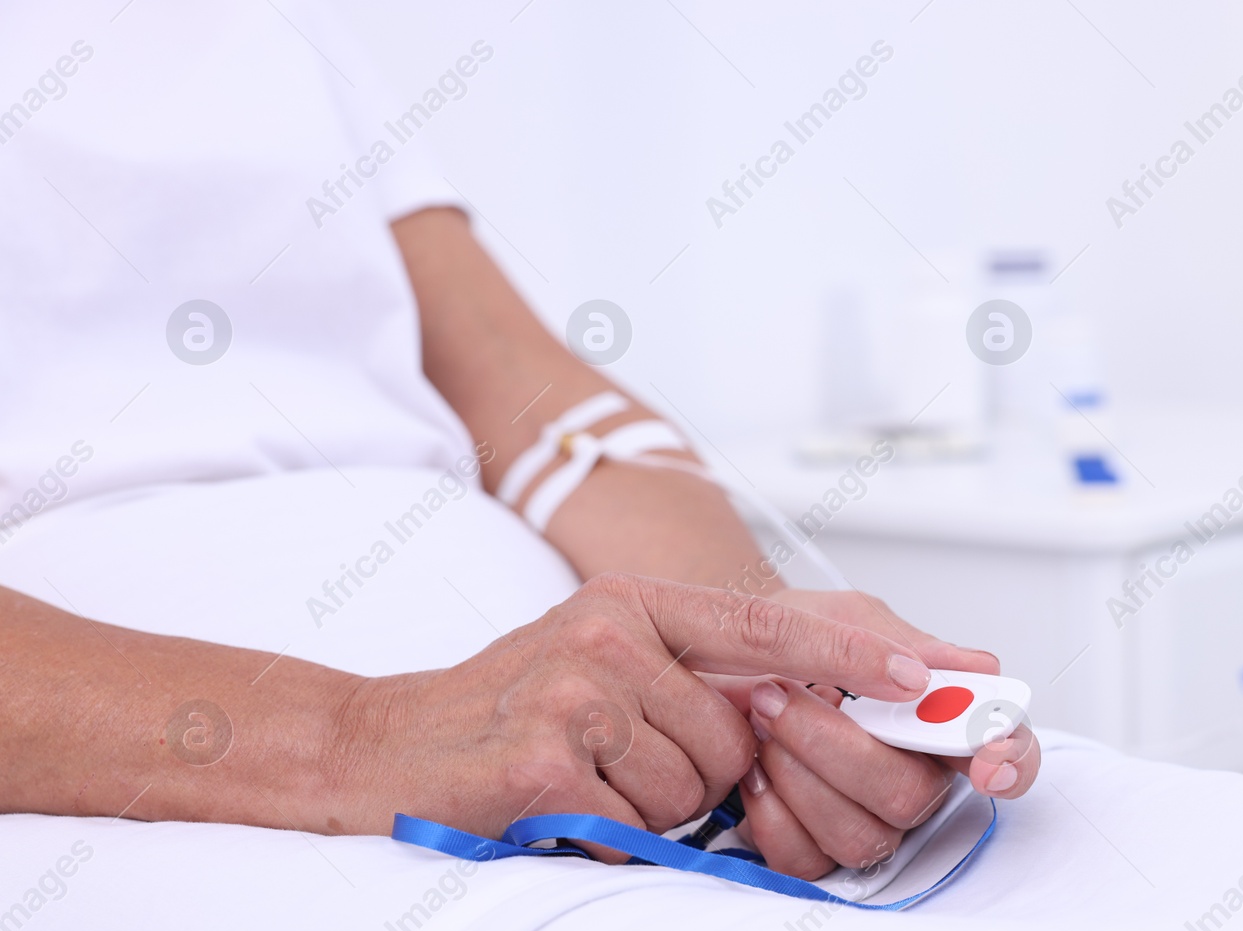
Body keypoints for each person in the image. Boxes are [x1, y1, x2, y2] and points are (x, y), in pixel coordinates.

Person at [0, 2, 1038, 879]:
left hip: (574, 783)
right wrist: (358, 741)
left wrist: (747, 655)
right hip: (221, 812)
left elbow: (531, 396)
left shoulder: (273, 34)